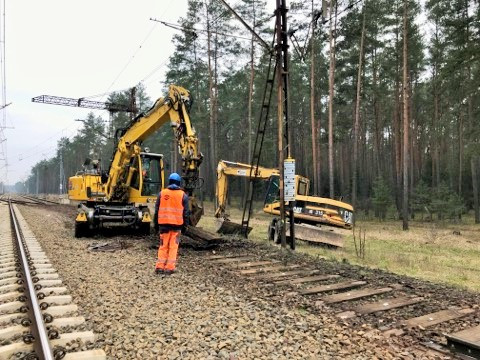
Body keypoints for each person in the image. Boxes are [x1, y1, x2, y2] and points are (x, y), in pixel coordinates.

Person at [154, 173, 189, 275]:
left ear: (169, 181)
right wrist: (185, 226)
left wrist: (156, 225)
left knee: (163, 246)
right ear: (179, 183)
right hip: (177, 226)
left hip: (163, 226)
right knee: (173, 247)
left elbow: (157, 211)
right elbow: (186, 213)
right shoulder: (183, 195)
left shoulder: (162, 193)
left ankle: (160, 266)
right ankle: (169, 268)